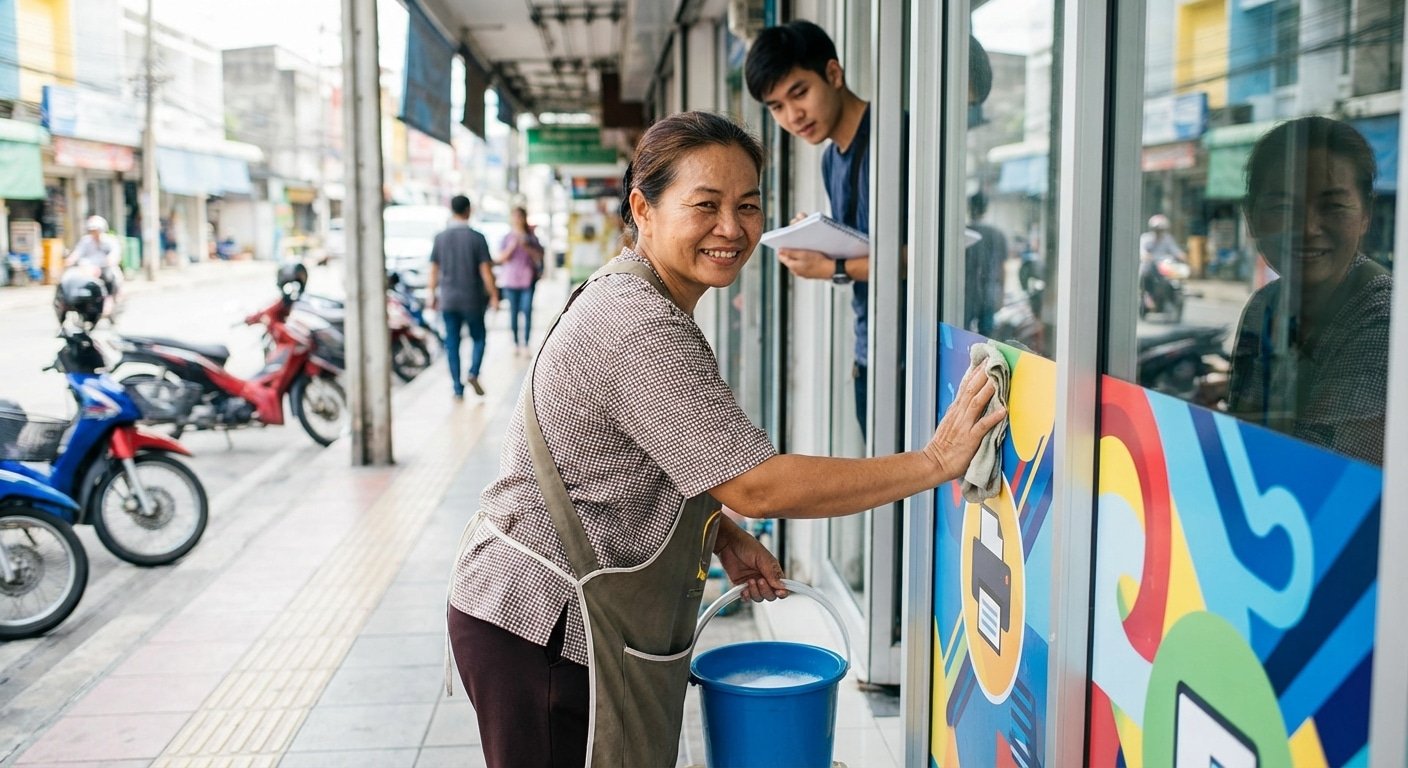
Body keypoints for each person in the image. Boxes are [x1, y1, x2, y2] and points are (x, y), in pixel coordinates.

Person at [447, 112, 1005, 768]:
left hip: (559, 617)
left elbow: (643, 461)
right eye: (705, 205)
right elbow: (757, 485)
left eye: (747, 205)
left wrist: (723, 535)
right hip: (542, 624)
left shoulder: (641, 296)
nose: (732, 228)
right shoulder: (638, 322)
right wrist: (934, 461)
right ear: (643, 209)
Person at [746, 22, 991, 437]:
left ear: (833, 74)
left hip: (922, 357)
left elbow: (931, 254)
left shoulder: (897, 137)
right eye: (776, 107)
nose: (792, 116)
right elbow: (870, 246)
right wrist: (818, 240)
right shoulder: (831, 159)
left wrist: (832, 268)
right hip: (872, 354)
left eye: (799, 93)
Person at [1227, 116, 1391, 465]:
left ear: (1366, 215)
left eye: (1333, 206)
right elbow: (1242, 426)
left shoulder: (1385, 317)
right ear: (1251, 217)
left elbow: (1314, 470)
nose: (1306, 229)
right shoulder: (1263, 306)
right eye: (1283, 207)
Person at [427, 195, 499, 399]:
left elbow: (433, 270)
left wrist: (431, 294)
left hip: (448, 299)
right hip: (472, 299)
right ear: (468, 210)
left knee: (452, 343)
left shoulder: (440, 238)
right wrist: (494, 295)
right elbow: (485, 271)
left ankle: (457, 387)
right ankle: (473, 372)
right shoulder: (477, 238)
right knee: (479, 337)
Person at [494, 206, 545, 355]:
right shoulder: (507, 238)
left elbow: (539, 256)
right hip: (510, 281)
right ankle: (516, 343)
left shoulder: (531, 237)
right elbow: (501, 258)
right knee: (514, 312)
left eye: (520, 216)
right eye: (514, 216)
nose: (517, 220)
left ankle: (526, 343)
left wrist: (526, 245)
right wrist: (512, 246)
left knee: (527, 311)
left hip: (528, 280)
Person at [965, 191, 1008, 336]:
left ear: (970, 207)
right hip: (989, 292)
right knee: (986, 336)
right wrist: (1001, 294)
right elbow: (1002, 268)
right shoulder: (997, 234)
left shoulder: (964, 232)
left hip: (966, 292)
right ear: (986, 208)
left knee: (963, 331)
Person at [66, 215, 122, 315]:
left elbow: (115, 253)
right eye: (92, 230)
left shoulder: (109, 241)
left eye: (96, 230)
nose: (94, 233)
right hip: (88, 269)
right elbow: (77, 253)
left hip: (105, 268)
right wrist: (70, 260)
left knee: (112, 277)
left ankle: (109, 300)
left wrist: (111, 260)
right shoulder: (85, 241)